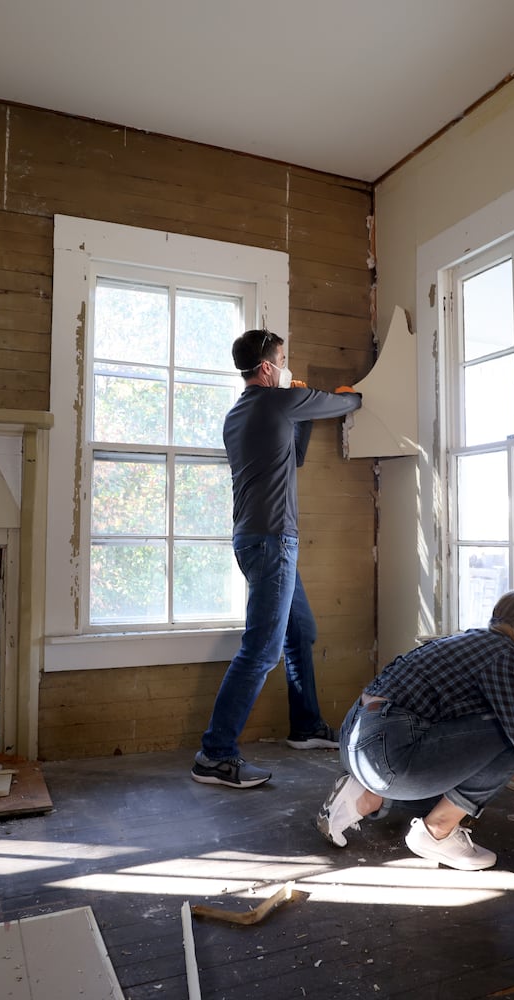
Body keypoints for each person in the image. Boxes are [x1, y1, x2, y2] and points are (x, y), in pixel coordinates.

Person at [314, 589, 514, 869]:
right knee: (512, 730)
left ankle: (363, 796)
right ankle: (436, 832)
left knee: (497, 737)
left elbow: (465, 749)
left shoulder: (468, 643)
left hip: (358, 746)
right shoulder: (505, 653)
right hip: (389, 755)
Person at [191, 329, 363, 789]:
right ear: (266, 368)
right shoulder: (275, 402)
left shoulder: (239, 414)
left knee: (299, 630)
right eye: (283, 359)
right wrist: (347, 395)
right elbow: (346, 404)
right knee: (262, 650)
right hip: (272, 542)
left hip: (255, 539)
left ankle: (306, 726)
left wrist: (300, 404)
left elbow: (294, 457)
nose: (287, 366)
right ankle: (215, 754)